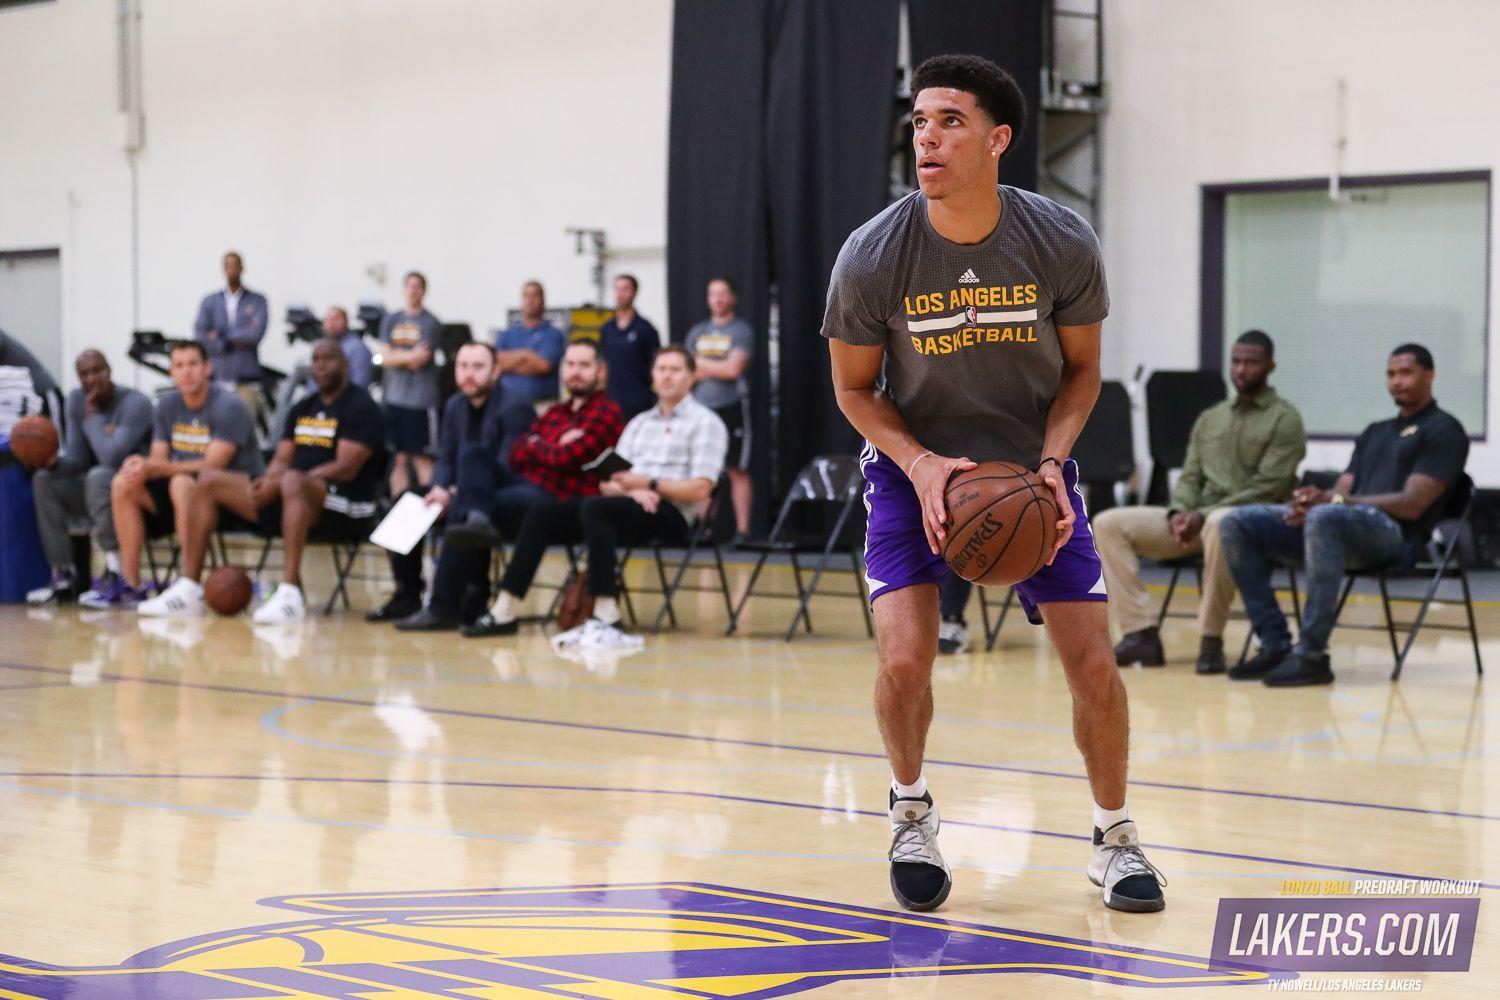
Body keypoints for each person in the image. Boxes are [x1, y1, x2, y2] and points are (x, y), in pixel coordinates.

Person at [823, 54, 1164, 914]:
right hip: (913, 471)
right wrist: (921, 465)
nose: (927, 138)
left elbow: (1083, 372)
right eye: (919, 122)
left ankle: (1115, 837)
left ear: (998, 138)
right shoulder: (872, 254)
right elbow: (854, 390)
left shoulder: (1059, 240)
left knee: (1094, 663)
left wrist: (1051, 465)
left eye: (950, 121)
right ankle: (910, 812)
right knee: (906, 660)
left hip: (1031, 469)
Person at [1219, 344, 1468, 687]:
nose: (1397, 382)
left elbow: (1412, 504)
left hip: (1395, 537)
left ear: (1429, 376)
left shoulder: (1444, 430)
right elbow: (1343, 489)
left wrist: (1333, 502)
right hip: (1339, 529)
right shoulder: (1375, 431)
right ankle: (1275, 644)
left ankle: (1311, 655)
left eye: (1406, 373)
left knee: (1325, 518)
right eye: (1391, 374)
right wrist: (1312, 503)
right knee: (1238, 521)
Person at [463, 346, 726, 649]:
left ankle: (606, 615)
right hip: (629, 502)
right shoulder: (640, 423)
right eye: (661, 369)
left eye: (675, 370)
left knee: (597, 509)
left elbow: (701, 489)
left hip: (671, 513)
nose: (667, 376)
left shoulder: (705, 423)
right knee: (545, 512)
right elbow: (608, 481)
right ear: (652, 376)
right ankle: (504, 609)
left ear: (691, 377)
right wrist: (633, 488)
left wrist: (649, 484)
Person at [1093, 330, 1306, 674]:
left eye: (1251, 362)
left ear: (1270, 366)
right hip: (1196, 521)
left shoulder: (1285, 419)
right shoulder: (1211, 418)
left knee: (1223, 523)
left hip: (1249, 526)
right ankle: (1140, 633)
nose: (1241, 369)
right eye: (1236, 361)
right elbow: (1191, 476)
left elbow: (1269, 488)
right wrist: (1178, 512)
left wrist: (1202, 515)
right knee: (1108, 523)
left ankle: (1211, 640)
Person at [395, 341, 625, 631]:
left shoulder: (602, 411)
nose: (575, 371)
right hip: (496, 490)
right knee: (419, 495)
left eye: (584, 365)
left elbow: (542, 459)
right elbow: (515, 453)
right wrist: (440, 488)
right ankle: (406, 595)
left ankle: (447, 605)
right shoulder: (556, 412)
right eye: (570, 364)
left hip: (545, 497)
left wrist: (542, 446)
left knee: (468, 497)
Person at [155, 339, 384, 622]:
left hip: (346, 503)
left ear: (345, 365)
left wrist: (286, 479)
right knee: (208, 480)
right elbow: (282, 458)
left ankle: (289, 594)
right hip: (292, 493)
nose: (321, 365)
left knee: (292, 482)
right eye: (315, 360)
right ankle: (188, 587)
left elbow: (346, 466)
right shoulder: (303, 407)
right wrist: (269, 479)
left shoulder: (361, 405)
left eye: (329, 359)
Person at [365, 341, 521, 622]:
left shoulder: (513, 406)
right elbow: (446, 457)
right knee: (408, 500)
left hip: (498, 493)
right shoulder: (454, 404)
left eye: (478, 367)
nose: (469, 374)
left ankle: (467, 597)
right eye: (463, 366)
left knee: (465, 506)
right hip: (456, 490)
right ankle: (407, 594)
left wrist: (454, 492)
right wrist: (438, 488)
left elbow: (508, 465)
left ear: (495, 371)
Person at [101, 341, 262, 610]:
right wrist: (140, 467)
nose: (186, 372)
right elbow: (159, 461)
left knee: (181, 482)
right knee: (123, 482)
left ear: (207, 368)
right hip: (182, 500)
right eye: (179, 365)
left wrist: (155, 467)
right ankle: (131, 586)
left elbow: (212, 465)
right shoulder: (166, 405)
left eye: (193, 364)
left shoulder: (229, 405)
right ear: (171, 372)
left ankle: (189, 585)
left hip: (229, 502)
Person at [27, 350, 153, 605]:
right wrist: (52, 462)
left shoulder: (135, 402)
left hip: (133, 496)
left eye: (97, 371)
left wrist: (92, 415)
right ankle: (64, 574)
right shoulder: (76, 400)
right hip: (95, 491)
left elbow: (111, 457)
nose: (92, 378)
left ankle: (115, 571)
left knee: (99, 475)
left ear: (109, 371)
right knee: (44, 480)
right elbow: (78, 459)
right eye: (84, 374)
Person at [685, 277, 754, 537]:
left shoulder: (740, 331)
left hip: (731, 406)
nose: (718, 299)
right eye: (713, 294)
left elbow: (733, 369)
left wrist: (702, 364)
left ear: (732, 297)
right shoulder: (698, 331)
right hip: (701, 409)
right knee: (704, 469)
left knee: (736, 468)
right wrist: (716, 366)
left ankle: (743, 531)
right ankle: (704, 529)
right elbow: (687, 372)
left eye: (723, 293)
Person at [378, 271, 442, 497]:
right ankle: (398, 505)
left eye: (417, 287)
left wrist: (395, 356)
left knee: (421, 457)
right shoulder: (391, 319)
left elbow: (419, 360)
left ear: (424, 291)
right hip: (393, 399)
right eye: (409, 286)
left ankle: (429, 507)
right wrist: (405, 356)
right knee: (399, 457)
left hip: (419, 401)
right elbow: (383, 357)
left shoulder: (430, 322)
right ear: (403, 289)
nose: (413, 291)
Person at [193, 250, 269, 419]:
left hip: (246, 378)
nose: (232, 270)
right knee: (215, 423)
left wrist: (220, 334)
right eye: (228, 266)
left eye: (235, 265)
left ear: (242, 268)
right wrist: (236, 337)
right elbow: (200, 336)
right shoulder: (210, 301)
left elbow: (255, 334)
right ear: (223, 268)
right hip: (217, 378)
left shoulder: (257, 300)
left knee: (244, 424)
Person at [494, 281, 567, 407]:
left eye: (535, 296)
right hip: (508, 406)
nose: (530, 300)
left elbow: (543, 366)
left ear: (543, 301)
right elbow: (497, 363)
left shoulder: (553, 334)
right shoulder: (507, 334)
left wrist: (510, 363)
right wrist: (526, 355)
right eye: (526, 296)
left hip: (543, 405)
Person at [597, 274, 660, 419]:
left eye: (625, 289)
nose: (620, 294)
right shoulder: (607, 329)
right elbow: (602, 364)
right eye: (617, 289)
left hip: (639, 402)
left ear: (634, 293)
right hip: (611, 401)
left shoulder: (646, 329)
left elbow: (655, 366)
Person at [322, 306, 373, 389]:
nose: (331, 325)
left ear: (346, 321)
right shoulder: (321, 346)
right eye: (327, 320)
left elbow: (360, 383)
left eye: (335, 319)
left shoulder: (357, 348)